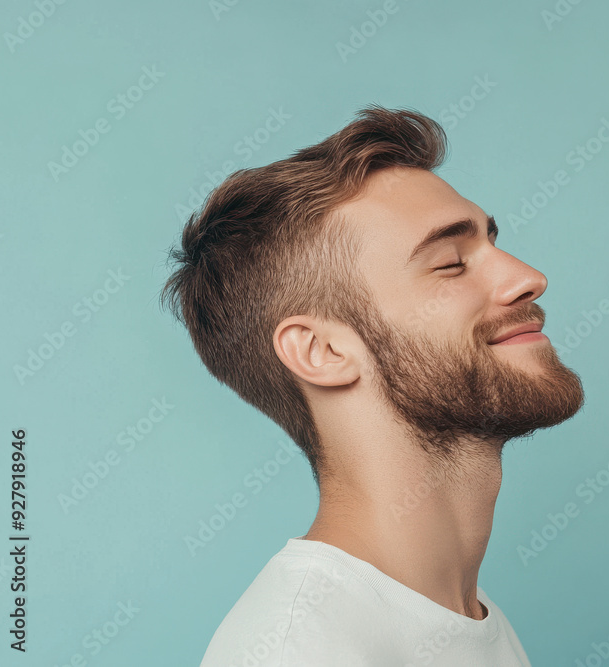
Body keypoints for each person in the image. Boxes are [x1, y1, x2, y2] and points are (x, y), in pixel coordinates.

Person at [162, 104, 585, 665]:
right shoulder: (298, 650)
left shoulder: (470, 619)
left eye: (492, 243)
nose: (529, 277)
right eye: (451, 263)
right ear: (323, 351)